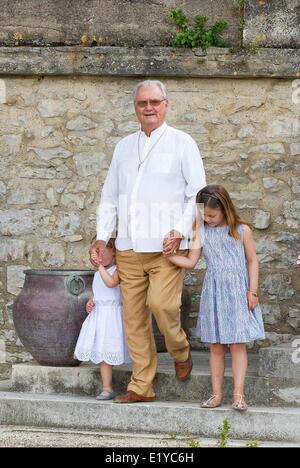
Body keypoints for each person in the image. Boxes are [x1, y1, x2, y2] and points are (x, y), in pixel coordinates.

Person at [90, 80, 206, 403]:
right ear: (135, 108)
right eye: (143, 103)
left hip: (167, 249)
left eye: (155, 101)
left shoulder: (183, 143)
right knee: (134, 319)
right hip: (127, 247)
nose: (149, 107)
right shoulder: (123, 147)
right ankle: (142, 387)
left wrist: (181, 230)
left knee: (164, 305)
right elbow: (110, 196)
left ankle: (180, 349)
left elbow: (197, 195)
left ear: (166, 105)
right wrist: (103, 238)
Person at [167, 185, 265, 411]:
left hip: (238, 291)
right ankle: (216, 394)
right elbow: (191, 262)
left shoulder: (242, 230)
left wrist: (253, 291)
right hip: (214, 291)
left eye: (212, 215)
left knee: (237, 345)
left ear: (225, 209)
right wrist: (170, 257)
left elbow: (252, 261)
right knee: (216, 346)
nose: (208, 219)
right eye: (204, 215)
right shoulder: (201, 231)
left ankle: (238, 396)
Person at [74, 238, 130, 400]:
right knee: (103, 353)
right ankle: (107, 388)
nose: (98, 256)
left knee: (114, 348)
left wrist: (99, 266)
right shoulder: (98, 273)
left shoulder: (118, 269)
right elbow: (97, 292)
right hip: (100, 315)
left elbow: (111, 284)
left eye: (102, 252)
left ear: (114, 251)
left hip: (113, 317)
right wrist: (91, 301)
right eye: (95, 253)